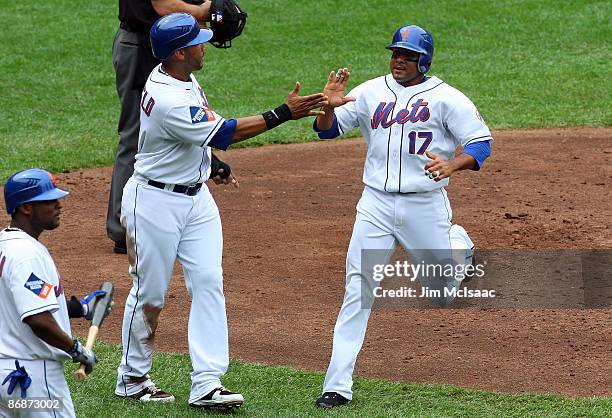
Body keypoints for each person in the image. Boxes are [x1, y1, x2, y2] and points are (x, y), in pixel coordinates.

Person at [114, 13, 328, 410]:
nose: (204, 45)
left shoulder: (180, 76)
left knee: (208, 282)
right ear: (179, 53)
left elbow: (194, 136)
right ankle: (132, 377)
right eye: (197, 41)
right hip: (154, 203)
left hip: (196, 200)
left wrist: (210, 165)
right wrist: (284, 112)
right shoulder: (167, 97)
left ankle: (207, 382)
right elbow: (224, 132)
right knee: (151, 293)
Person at [312, 25, 494, 408]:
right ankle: (337, 385)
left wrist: (452, 165)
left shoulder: (448, 98)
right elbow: (326, 132)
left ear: (423, 60)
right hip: (375, 204)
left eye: (408, 55)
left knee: (441, 293)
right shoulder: (368, 92)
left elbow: (480, 143)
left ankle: (459, 245)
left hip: (424, 205)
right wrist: (328, 107)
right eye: (395, 52)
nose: (399, 59)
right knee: (357, 291)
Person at [108, 0, 245, 254]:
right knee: (135, 133)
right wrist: (205, 12)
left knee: (176, 116)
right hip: (141, 44)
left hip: (167, 42)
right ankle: (125, 229)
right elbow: (163, 5)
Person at [0, 169, 112, 418]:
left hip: (7, 385)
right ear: (26, 208)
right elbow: (36, 319)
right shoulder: (27, 254)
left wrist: (80, 308)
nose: (59, 205)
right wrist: (76, 349)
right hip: (33, 381)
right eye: (49, 200)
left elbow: (18, 301)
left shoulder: (5, 247)